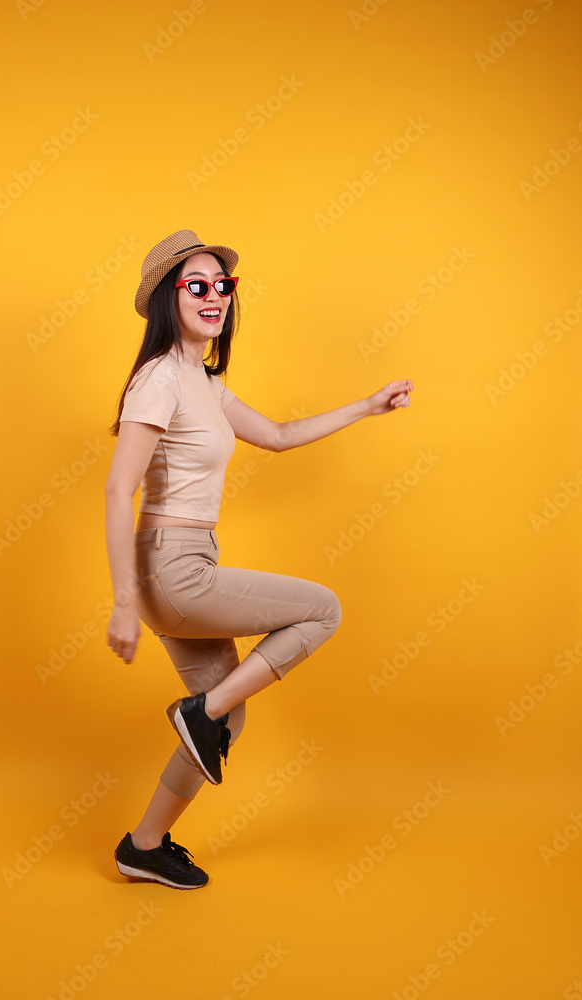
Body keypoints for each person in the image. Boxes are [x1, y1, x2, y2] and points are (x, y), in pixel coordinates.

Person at [105, 229, 413, 889]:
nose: (214, 295)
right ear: (169, 298)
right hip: (171, 568)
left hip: (188, 563)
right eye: (198, 285)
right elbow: (117, 489)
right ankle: (195, 716)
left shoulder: (204, 382)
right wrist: (125, 602)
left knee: (224, 716)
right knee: (322, 610)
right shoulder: (159, 380)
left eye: (223, 285)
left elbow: (276, 435)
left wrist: (367, 406)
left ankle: (144, 843)